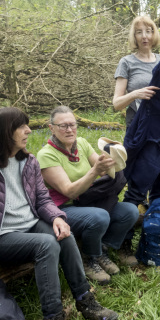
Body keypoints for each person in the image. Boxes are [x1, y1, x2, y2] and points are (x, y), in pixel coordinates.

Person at [0, 107, 118, 320]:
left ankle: (86, 301)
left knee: (64, 235)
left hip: (29, 224)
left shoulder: (28, 162)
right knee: (46, 244)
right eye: (21, 127)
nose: (28, 131)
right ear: (4, 132)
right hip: (0, 236)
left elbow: (42, 199)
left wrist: (57, 217)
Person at [38, 106, 139, 283]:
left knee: (130, 211)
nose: (69, 129)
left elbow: (104, 171)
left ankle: (102, 249)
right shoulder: (46, 155)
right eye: (63, 126)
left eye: (72, 124)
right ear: (51, 128)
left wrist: (114, 157)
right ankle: (88, 258)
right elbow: (69, 191)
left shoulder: (82, 144)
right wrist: (94, 171)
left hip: (86, 200)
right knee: (99, 216)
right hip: (62, 210)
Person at [113, 15, 160, 126]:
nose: (144, 36)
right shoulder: (126, 62)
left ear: (153, 34)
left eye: (148, 31)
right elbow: (116, 104)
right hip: (137, 123)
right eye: (139, 32)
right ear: (134, 36)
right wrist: (135, 94)